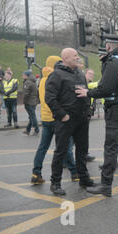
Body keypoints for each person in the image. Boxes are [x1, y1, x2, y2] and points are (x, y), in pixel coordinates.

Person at [75, 34, 118, 197]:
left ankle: (106, 184)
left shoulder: (115, 62)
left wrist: (88, 93)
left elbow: (106, 88)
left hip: (117, 109)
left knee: (111, 147)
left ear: (109, 46)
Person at [45, 48, 95, 195]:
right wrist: (62, 115)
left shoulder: (79, 73)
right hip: (66, 120)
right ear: (65, 58)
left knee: (82, 150)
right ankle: (55, 183)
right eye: (74, 56)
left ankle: (84, 179)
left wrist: (88, 110)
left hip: (81, 119)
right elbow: (50, 98)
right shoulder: (56, 75)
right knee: (61, 151)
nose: (77, 58)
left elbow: (84, 92)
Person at [31, 56, 80, 185]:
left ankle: (36, 173)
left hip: (45, 118)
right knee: (66, 147)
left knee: (43, 147)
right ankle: (74, 173)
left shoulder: (42, 80)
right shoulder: (57, 78)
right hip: (57, 117)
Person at [22, 70, 40, 136]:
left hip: (29, 102)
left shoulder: (28, 82)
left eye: (23, 75)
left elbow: (26, 93)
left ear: (27, 75)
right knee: (31, 117)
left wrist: (24, 101)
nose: (22, 76)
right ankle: (28, 130)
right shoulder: (33, 81)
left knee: (33, 117)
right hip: (33, 102)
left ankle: (37, 130)